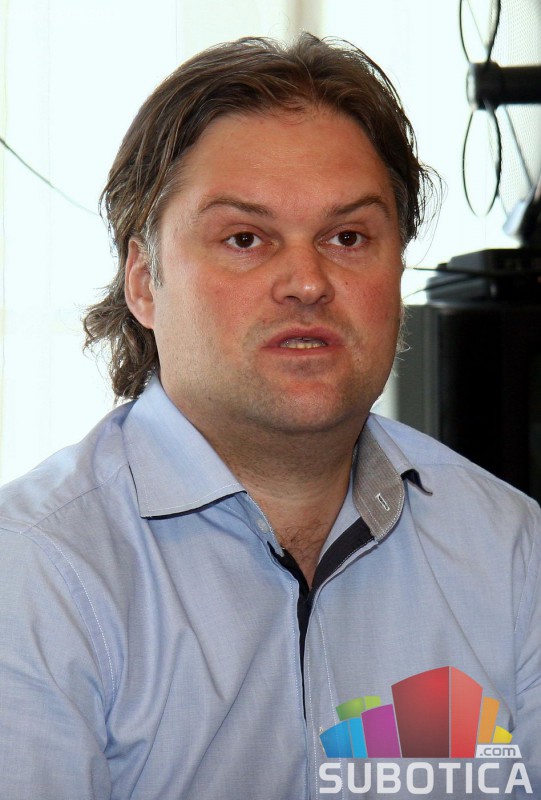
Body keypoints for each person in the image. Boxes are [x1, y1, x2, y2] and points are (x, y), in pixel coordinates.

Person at [0, 33, 539, 800]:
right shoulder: (35, 573)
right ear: (144, 282)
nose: (306, 281)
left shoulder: (511, 548)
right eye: (245, 239)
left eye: (347, 237)